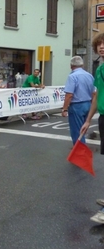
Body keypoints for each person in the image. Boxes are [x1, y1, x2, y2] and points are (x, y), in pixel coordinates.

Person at [80, 33, 104, 224]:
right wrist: (88, 120)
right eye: (99, 45)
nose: (102, 47)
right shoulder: (99, 70)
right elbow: (96, 98)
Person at [61, 56, 95, 145]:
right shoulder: (89, 75)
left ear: (71, 65)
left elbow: (69, 94)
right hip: (88, 103)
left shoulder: (72, 76)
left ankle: (80, 151)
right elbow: (94, 92)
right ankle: (82, 148)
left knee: (76, 131)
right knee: (83, 129)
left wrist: (64, 109)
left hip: (76, 105)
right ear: (82, 65)